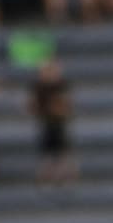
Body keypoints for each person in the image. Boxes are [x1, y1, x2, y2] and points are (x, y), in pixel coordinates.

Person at [29, 57, 76, 186]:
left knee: (62, 154)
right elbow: (33, 107)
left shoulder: (61, 87)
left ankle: (66, 179)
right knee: (47, 156)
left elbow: (65, 107)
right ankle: (47, 180)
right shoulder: (40, 89)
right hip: (47, 125)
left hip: (58, 125)